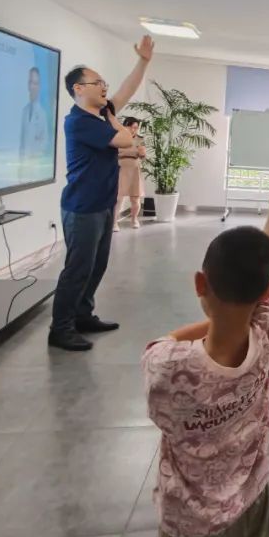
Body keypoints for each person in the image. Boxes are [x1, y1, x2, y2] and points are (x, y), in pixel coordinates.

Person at [142, 175, 269, 537]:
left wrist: (215, 322)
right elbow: (266, 264)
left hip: (192, 527)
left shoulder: (167, 367)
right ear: (266, 292)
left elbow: (162, 344)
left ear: (200, 283)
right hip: (252, 499)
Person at [49, 36, 155, 352]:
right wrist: (112, 117)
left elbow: (126, 90)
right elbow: (125, 140)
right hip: (82, 207)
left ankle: (83, 316)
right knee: (77, 269)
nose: (104, 87)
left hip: (103, 205)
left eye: (103, 83)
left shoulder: (99, 115)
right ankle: (60, 329)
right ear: (79, 88)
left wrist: (143, 61)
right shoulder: (80, 122)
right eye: (97, 83)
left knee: (97, 266)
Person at [113, 116, 146, 232]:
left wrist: (142, 154)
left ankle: (134, 219)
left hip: (134, 169)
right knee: (118, 198)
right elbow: (113, 153)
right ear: (125, 126)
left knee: (135, 198)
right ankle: (114, 222)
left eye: (136, 128)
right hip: (120, 169)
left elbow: (143, 157)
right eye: (131, 127)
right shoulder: (117, 138)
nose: (133, 130)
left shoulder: (140, 139)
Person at [19, 66, 51, 163]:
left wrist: (34, 158)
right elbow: (22, 143)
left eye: (35, 83)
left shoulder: (43, 115)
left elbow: (44, 144)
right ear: (28, 85)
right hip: (22, 165)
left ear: (39, 86)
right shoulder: (24, 111)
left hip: (35, 165)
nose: (33, 86)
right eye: (31, 82)